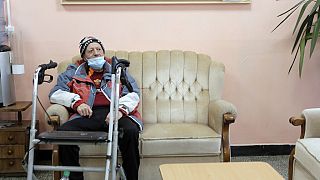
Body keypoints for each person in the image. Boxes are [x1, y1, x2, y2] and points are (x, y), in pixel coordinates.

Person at [49, 36, 142, 180]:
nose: (96, 53)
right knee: (64, 132)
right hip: (89, 115)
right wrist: (77, 103)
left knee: (130, 131)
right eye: (90, 51)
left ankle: (131, 177)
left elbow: (133, 93)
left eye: (99, 49)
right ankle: (75, 177)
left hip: (116, 113)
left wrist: (120, 110)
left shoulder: (117, 68)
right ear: (84, 56)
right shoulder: (73, 71)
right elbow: (56, 93)